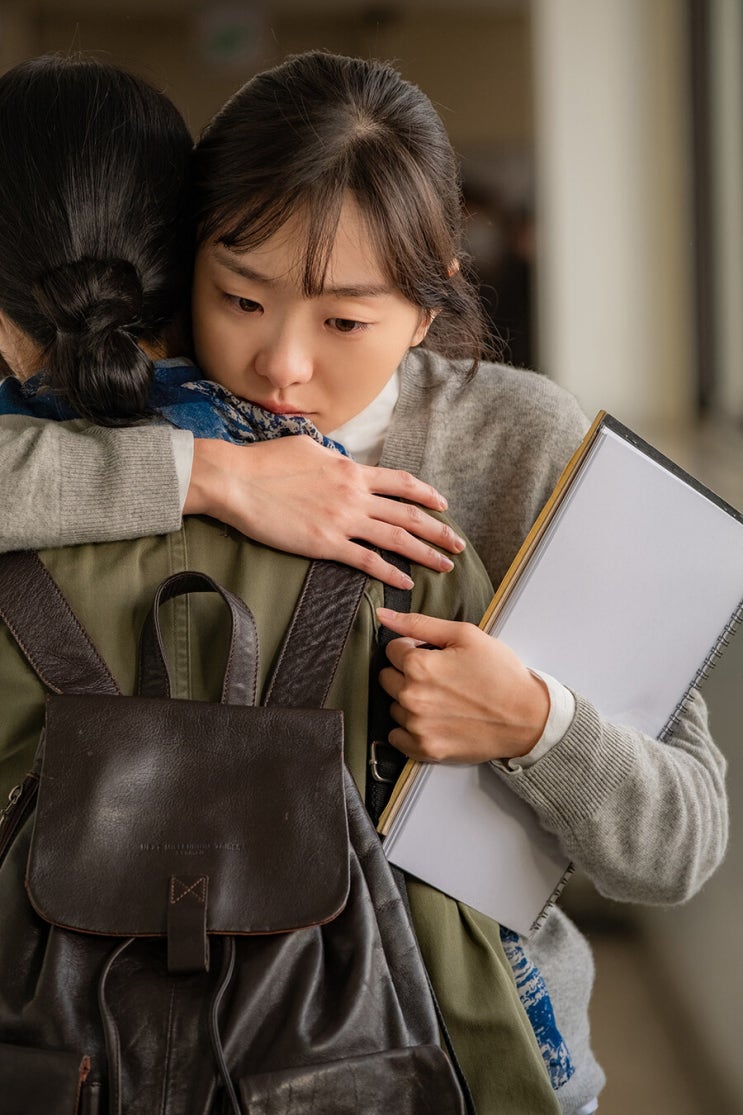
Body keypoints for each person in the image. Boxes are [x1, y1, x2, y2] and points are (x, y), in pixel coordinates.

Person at [0, 51, 728, 1115]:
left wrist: (533, 720)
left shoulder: (517, 442)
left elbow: (680, 840)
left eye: (343, 321)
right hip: (161, 1045)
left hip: (467, 1037)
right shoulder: (128, 405)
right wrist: (213, 474)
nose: (281, 365)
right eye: (238, 297)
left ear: (430, 298)